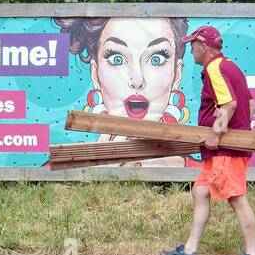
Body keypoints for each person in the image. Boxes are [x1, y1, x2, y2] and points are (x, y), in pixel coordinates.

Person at [158, 25, 255, 255]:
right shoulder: (231, 66)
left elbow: (228, 105)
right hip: (223, 150)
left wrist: (217, 133)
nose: (191, 51)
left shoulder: (214, 68)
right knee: (201, 192)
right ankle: (189, 251)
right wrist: (239, 131)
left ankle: (254, 254)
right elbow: (252, 105)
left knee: (237, 198)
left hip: (225, 150)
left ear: (202, 46)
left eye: (192, 46)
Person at [56, 16, 195, 167]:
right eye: (117, 59)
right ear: (95, 74)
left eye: (156, 59)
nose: (137, 80)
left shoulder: (207, 176)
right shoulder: (66, 165)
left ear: (177, 74)